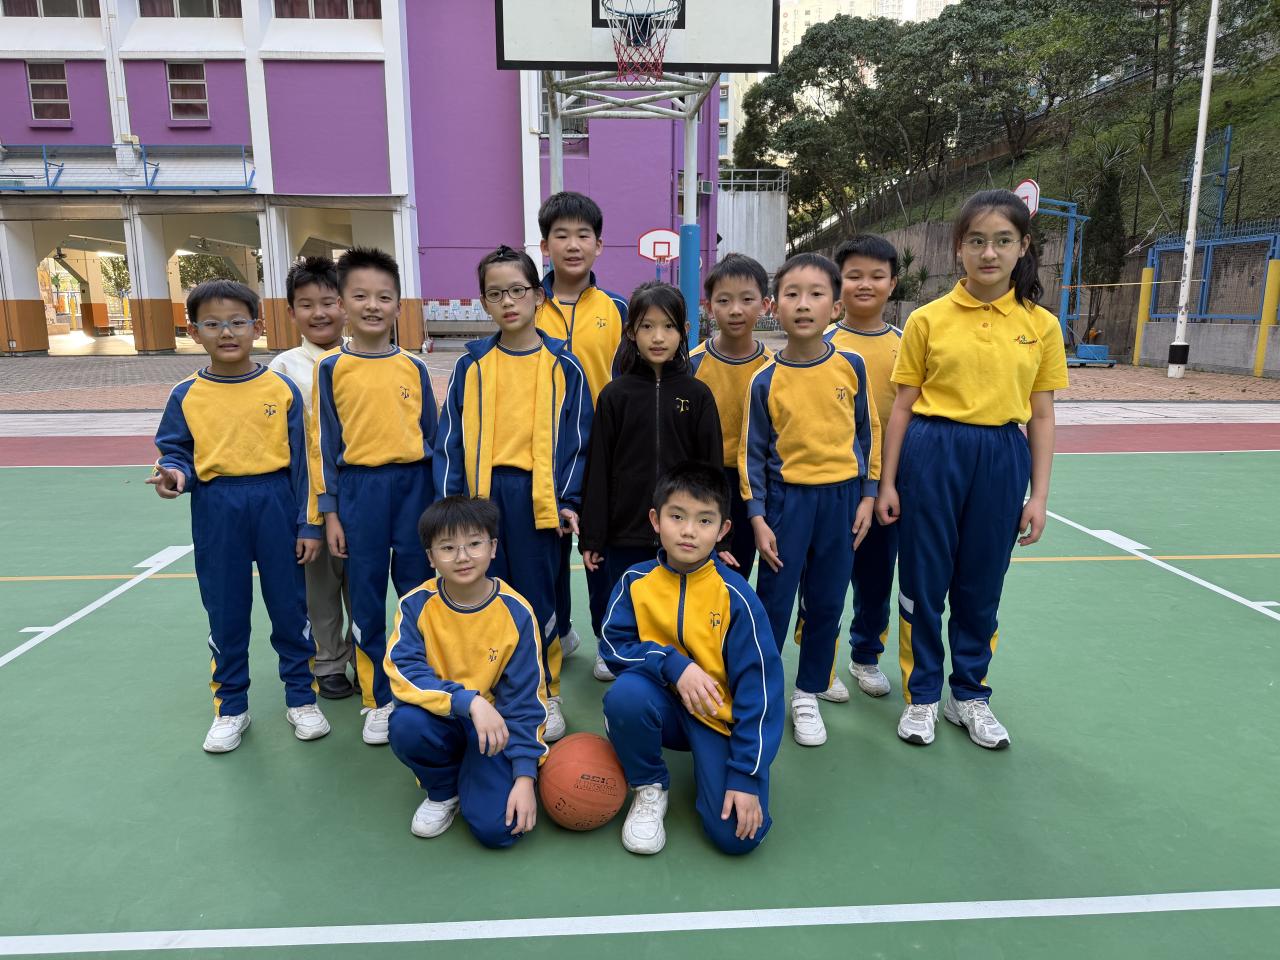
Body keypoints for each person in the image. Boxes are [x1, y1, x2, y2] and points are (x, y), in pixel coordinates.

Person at [877, 189, 1067, 750]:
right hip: (932, 452)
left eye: (1003, 241)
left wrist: (1039, 496)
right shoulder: (927, 319)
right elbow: (903, 406)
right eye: (977, 241)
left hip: (1002, 457)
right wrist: (887, 482)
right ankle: (922, 695)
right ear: (958, 247)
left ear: (1023, 247)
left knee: (982, 583)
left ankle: (969, 695)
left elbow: (1042, 415)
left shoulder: (1041, 325)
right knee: (923, 581)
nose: (989, 253)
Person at [150, 279, 329, 753]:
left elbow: (303, 463)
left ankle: (301, 698)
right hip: (217, 506)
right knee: (226, 611)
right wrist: (174, 475)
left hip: (276, 503)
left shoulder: (281, 388)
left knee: (290, 609)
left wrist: (308, 524)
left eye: (236, 322)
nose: (226, 332)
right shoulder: (186, 394)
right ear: (194, 332)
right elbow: (176, 452)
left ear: (258, 327)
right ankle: (231, 707)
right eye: (212, 324)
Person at [435, 245, 592, 742]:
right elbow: (449, 439)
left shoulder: (563, 365)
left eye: (518, 291)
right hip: (482, 498)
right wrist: (451, 505)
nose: (508, 302)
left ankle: (546, 691)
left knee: (537, 596)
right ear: (483, 301)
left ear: (539, 296)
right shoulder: (472, 365)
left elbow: (578, 441)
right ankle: (492, 685)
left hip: (537, 496)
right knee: (483, 592)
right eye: (495, 293)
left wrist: (567, 500)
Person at [601, 462, 783, 856]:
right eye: (677, 516)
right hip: (661, 704)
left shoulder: (736, 597)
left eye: (704, 520)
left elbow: (761, 692)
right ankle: (649, 784)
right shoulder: (635, 582)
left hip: (717, 718)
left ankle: (722, 767)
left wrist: (746, 774)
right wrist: (673, 664)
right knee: (625, 696)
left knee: (737, 838)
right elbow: (613, 646)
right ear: (656, 520)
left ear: (722, 530)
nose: (688, 531)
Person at [740, 253, 880, 748]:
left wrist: (868, 495)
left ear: (835, 307)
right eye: (792, 294)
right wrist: (757, 517)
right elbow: (751, 455)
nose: (804, 304)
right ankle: (763, 689)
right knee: (774, 603)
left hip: (841, 504)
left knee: (826, 602)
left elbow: (868, 434)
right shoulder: (764, 380)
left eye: (816, 294)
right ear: (774, 307)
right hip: (786, 505)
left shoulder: (851, 366)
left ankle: (807, 692)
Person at [310, 247, 438, 746]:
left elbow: (432, 436)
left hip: (414, 490)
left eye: (384, 297)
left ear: (398, 306)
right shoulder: (331, 368)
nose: (372, 305)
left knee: (418, 594)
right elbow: (324, 446)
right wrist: (330, 512)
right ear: (342, 303)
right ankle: (378, 698)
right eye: (360, 296)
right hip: (359, 494)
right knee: (364, 599)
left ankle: (416, 685)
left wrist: (437, 504)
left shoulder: (414, 367)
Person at [579, 281, 723, 677]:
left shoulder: (697, 395)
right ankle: (613, 646)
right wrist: (593, 536)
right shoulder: (615, 396)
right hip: (624, 528)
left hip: (680, 528)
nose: (658, 337)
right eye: (646, 326)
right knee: (620, 596)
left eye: (668, 326)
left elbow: (711, 468)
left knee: (673, 600)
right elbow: (598, 469)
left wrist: (714, 532)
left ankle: (675, 661)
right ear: (631, 332)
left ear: (684, 330)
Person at [385, 497, 547, 848]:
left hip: (494, 730)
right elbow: (404, 671)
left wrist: (525, 776)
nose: (462, 556)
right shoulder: (415, 605)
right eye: (448, 547)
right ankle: (444, 790)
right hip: (443, 717)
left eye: (474, 543)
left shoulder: (516, 612)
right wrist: (469, 702)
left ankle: (479, 771)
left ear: (493, 548)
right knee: (405, 724)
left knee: (500, 831)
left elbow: (527, 700)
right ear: (431, 557)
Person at [534, 191, 628, 679]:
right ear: (544, 245)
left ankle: (608, 638)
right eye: (561, 235)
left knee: (600, 550)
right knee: (547, 548)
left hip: (605, 452)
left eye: (583, 235)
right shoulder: (527, 304)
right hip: (543, 450)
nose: (573, 245)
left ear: (599, 245)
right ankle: (560, 630)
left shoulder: (618, 308)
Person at [817, 235, 904, 701]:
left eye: (876, 276)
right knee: (825, 581)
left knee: (876, 578)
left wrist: (888, 482)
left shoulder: (906, 344)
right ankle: (821, 665)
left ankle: (865, 655)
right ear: (838, 283)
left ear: (893, 283)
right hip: (833, 486)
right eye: (854, 276)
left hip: (887, 485)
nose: (865, 284)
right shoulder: (822, 343)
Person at [268, 255, 356, 701]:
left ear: (345, 305)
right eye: (306, 305)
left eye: (328, 302)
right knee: (319, 588)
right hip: (309, 499)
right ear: (291, 311)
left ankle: (369, 657)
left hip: (358, 494)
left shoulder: (364, 356)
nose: (319, 313)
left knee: (362, 583)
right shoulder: (282, 370)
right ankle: (329, 661)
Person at [689, 253, 774, 578]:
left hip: (754, 484)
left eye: (746, 300)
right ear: (709, 307)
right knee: (698, 568)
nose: (735, 310)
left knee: (739, 568)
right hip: (703, 481)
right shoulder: (693, 364)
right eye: (724, 300)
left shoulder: (774, 368)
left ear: (765, 305)